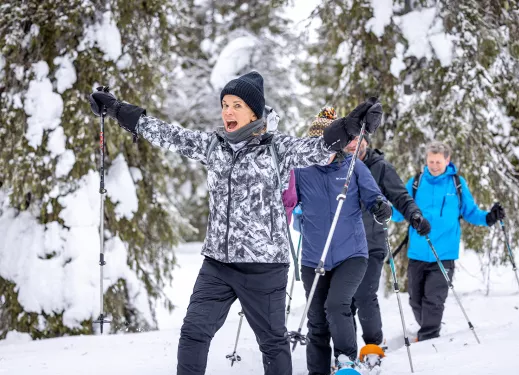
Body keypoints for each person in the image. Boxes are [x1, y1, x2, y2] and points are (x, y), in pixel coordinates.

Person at [88, 72, 381, 375]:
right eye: (225, 104)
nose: (227, 111)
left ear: (254, 112)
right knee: (193, 333)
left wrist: (348, 127)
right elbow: (167, 134)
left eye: (236, 105)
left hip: (264, 266)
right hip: (218, 264)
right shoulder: (212, 146)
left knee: (272, 342)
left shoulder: (276, 148)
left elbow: (318, 149)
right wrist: (116, 109)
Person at [291, 107, 392, 375]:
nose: (320, 148)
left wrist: (382, 208)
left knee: (337, 305)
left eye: (325, 142)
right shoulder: (300, 171)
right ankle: (319, 370)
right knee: (317, 321)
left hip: (352, 253)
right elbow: (288, 202)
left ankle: (346, 360)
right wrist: (292, 211)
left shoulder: (353, 167)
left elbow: (374, 198)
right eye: (315, 143)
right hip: (314, 257)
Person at [392, 141, 506, 342]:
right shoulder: (416, 182)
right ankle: (428, 327)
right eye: (430, 162)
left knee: (434, 300)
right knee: (415, 301)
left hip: (444, 254)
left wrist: (489, 217)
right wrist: (383, 210)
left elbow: (470, 212)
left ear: (447, 160)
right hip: (418, 252)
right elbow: (400, 211)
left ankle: (428, 340)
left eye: (438, 162)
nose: (434, 166)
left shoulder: (457, 183)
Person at [350, 133, 431, 348]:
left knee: (365, 294)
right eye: (349, 141)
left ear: (366, 141)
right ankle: (345, 352)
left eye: (358, 141)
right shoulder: (338, 165)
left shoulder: (380, 167)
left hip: (371, 243)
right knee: (343, 301)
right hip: (344, 245)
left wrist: (415, 215)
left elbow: (401, 197)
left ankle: (374, 345)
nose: (354, 146)